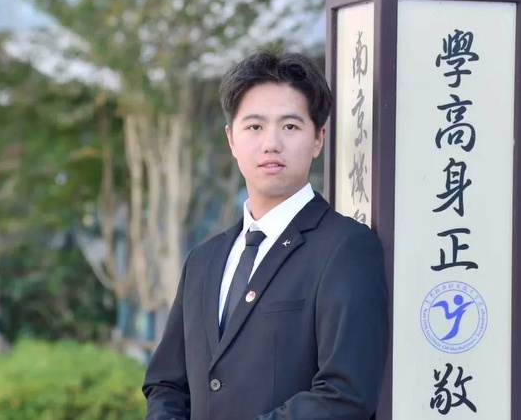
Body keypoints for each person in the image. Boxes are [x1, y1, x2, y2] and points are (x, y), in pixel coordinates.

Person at [142, 49, 388, 420]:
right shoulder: (203, 261)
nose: (271, 143)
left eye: (290, 126)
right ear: (231, 139)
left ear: (318, 139)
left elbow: (346, 395)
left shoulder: (346, 247)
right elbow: (167, 384)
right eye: (254, 127)